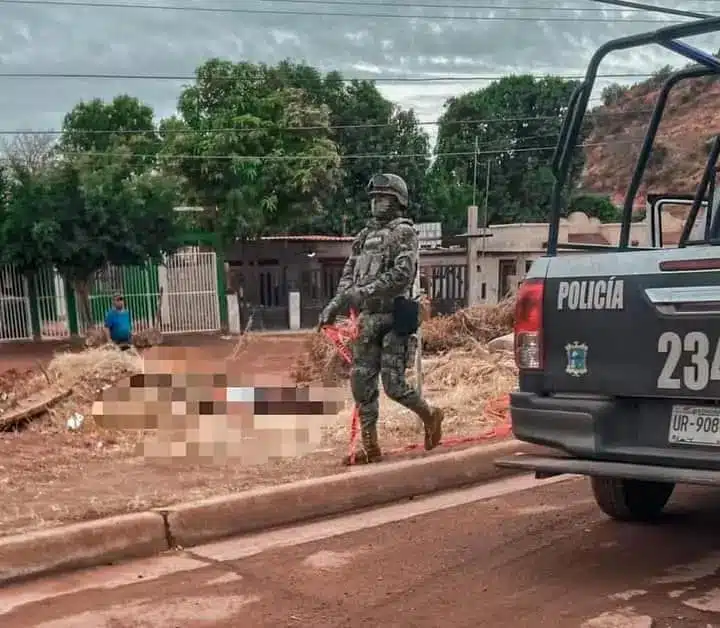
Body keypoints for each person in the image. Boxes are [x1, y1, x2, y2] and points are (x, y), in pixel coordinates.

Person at [318, 173, 444, 465]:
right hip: (368, 318)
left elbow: (402, 275)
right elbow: (348, 276)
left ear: (398, 201)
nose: (376, 203)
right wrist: (335, 304)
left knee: (394, 385)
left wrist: (362, 292)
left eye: (383, 198)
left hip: (395, 317)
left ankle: (430, 414)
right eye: (374, 198)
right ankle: (371, 447)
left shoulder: (404, 233)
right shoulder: (363, 237)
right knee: (361, 384)